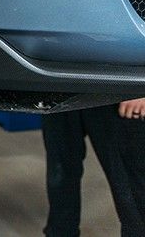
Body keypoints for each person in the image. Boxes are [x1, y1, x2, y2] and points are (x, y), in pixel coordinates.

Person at [43, 98, 145, 236]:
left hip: (118, 91)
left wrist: (140, 89)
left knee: (133, 196)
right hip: (60, 87)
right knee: (60, 176)